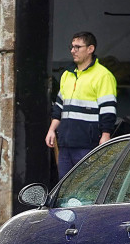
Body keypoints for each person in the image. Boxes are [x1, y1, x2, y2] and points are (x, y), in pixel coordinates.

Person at [45, 31, 117, 178]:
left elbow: (108, 109)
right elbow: (59, 106)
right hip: (65, 143)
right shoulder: (67, 74)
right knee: (64, 187)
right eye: (72, 47)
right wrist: (52, 130)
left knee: (86, 188)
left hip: (88, 144)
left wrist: (106, 135)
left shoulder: (103, 76)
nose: (73, 51)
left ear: (90, 49)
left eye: (78, 47)